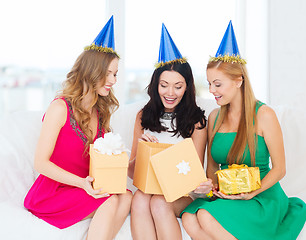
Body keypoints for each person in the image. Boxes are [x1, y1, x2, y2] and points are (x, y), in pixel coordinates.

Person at [181, 20, 306, 240]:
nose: (211, 90)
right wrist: (213, 189)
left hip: (260, 196)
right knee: (189, 217)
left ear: (239, 81)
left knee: (205, 216)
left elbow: (279, 169)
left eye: (217, 84)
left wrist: (252, 192)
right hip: (227, 194)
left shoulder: (264, 115)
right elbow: (211, 168)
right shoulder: (214, 117)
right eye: (210, 83)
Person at [24, 16, 132, 239]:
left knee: (127, 196)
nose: (113, 80)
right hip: (55, 192)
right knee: (110, 200)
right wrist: (81, 184)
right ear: (92, 71)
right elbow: (40, 163)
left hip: (84, 187)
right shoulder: (60, 108)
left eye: (115, 74)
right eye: (108, 73)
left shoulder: (99, 111)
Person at [128, 24, 207, 240]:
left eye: (178, 86)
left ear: (187, 87)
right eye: (164, 85)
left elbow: (194, 177)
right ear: (156, 85)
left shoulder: (197, 122)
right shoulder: (143, 116)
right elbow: (132, 173)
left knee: (159, 201)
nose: (170, 93)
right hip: (148, 190)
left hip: (181, 195)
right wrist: (144, 150)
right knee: (140, 198)